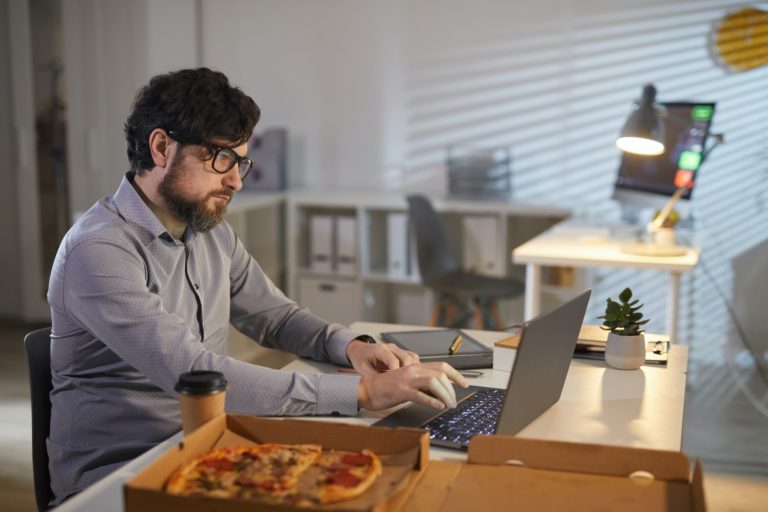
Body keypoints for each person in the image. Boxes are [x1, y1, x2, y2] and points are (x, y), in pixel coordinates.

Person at [46, 67, 467, 505]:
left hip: (210, 448)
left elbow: (276, 317)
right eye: (220, 158)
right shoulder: (97, 251)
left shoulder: (209, 231)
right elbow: (195, 374)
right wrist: (364, 393)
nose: (236, 180)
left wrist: (353, 349)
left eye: (240, 161)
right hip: (118, 477)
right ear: (161, 147)